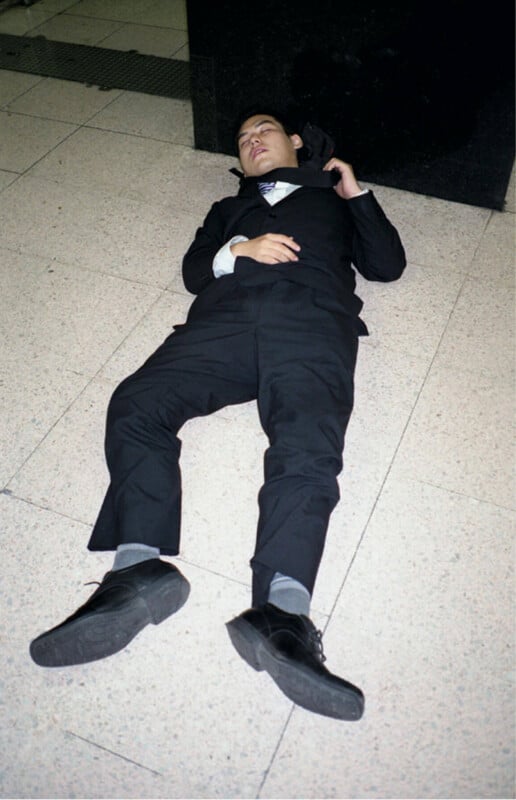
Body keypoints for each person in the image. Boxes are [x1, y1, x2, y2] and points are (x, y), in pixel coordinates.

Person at [30, 109, 406, 721]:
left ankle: (281, 614)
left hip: (310, 320)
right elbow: (191, 272)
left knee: (306, 445)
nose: (252, 140)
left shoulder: (334, 198)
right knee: (137, 402)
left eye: (264, 130)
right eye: (242, 138)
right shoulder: (227, 209)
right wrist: (241, 248)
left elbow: (388, 266)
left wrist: (355, 193)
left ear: (296, 143)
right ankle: (136, 570)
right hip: (222, 324)